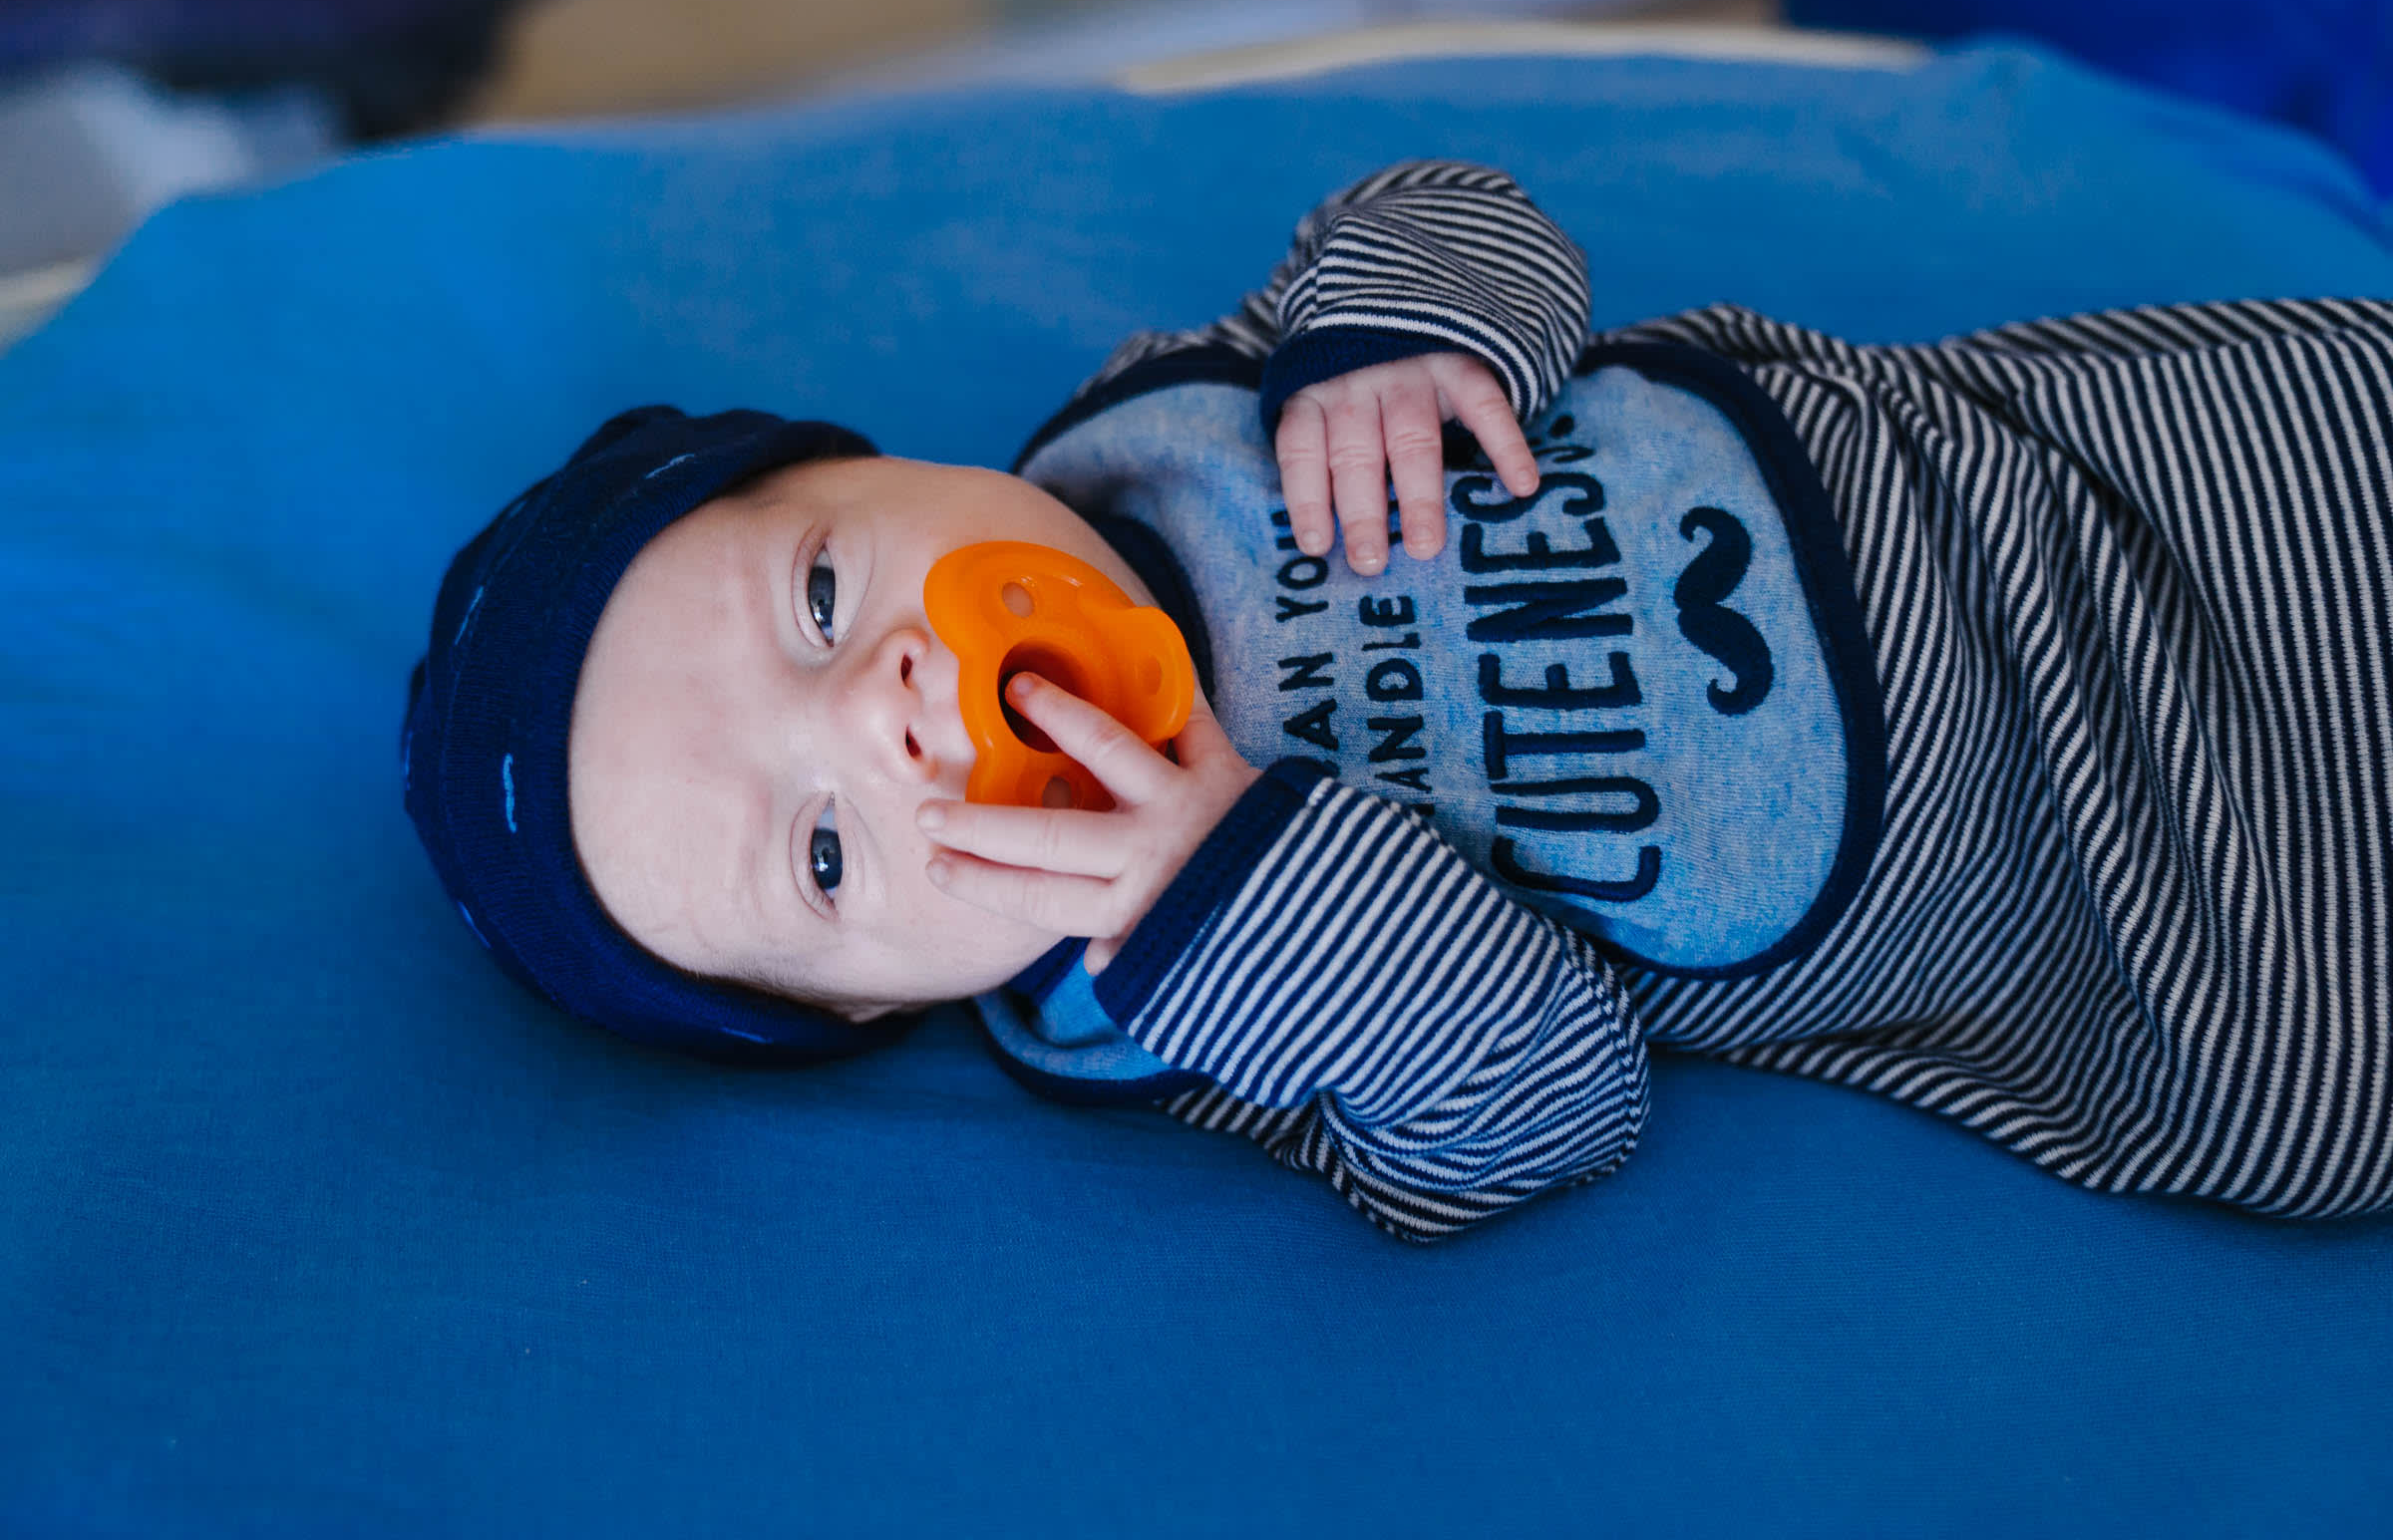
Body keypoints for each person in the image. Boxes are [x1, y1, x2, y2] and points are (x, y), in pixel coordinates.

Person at [404, 160, 2393, 1242]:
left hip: (2124, 476)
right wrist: (1246, 906)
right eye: (826, 847)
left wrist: (1396, 335)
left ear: (890, 460)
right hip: (2147, 899)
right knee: (2318, 1055)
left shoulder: (1160, 428)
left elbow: (1467, 211)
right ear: (868, 1010)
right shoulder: (1149, 1004)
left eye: (821, 593)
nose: (892, 707)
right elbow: (1541, 1108)